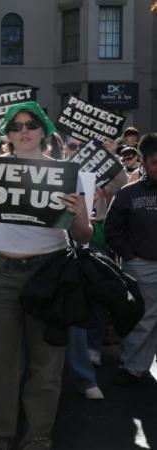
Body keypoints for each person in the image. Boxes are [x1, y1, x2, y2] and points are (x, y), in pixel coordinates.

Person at [0, 101, 92, 450]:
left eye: (30, 124)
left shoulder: (67, 173)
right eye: (15, 126)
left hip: (50, 272)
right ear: (7, 135)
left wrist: (75, 214)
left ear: (43, 129)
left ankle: (38, 437)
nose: (23, 131)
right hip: (1, 272)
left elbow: (85, 234)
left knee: (46, 362)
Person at [105, 133, 157, 386]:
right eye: (156, 162)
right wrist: (131, 256)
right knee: (144, 318)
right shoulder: (128, 193)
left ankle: (138, 365)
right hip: (141, 265)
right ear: (144, 162)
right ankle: (133, 368)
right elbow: (112, 230)